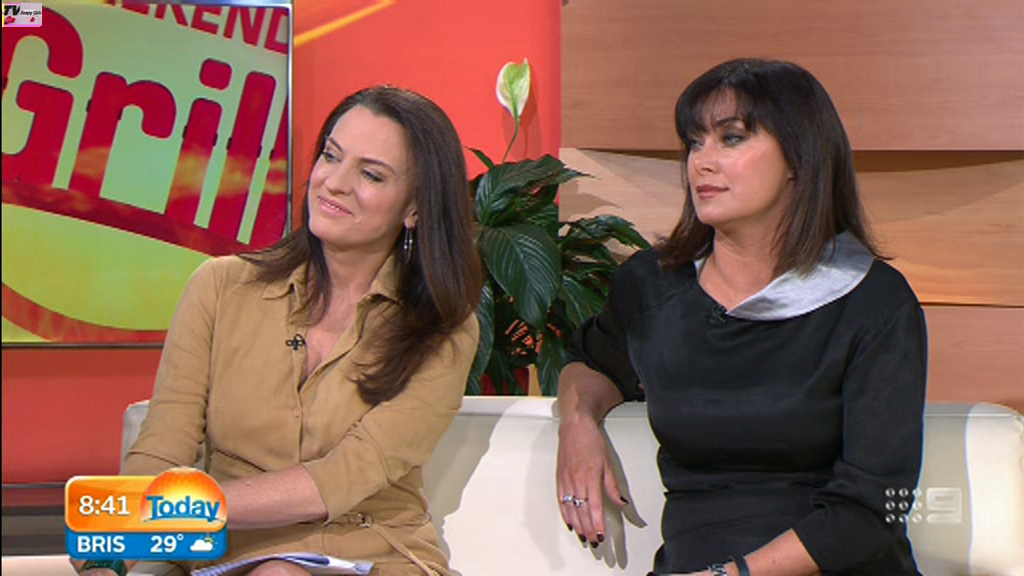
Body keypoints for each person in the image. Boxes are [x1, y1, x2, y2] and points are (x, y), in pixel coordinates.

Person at [75, 86, 483, 576]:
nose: (334, 183)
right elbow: (164, 446)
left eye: (371, 174)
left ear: (414, 208)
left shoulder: (442, 328)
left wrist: (177, 509)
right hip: (224, 554)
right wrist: (112, 549)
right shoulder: (220, 288)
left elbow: (342, 477)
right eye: (331, 156)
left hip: (372, 552)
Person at [555, 59, 927, 576]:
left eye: (731, 139)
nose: (701, 163)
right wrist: (577, 424)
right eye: (694, 142)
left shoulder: (875, 301)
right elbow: (592, 363)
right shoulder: (652, 285)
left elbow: (875, 507)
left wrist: (732, 575)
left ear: (799, 156)